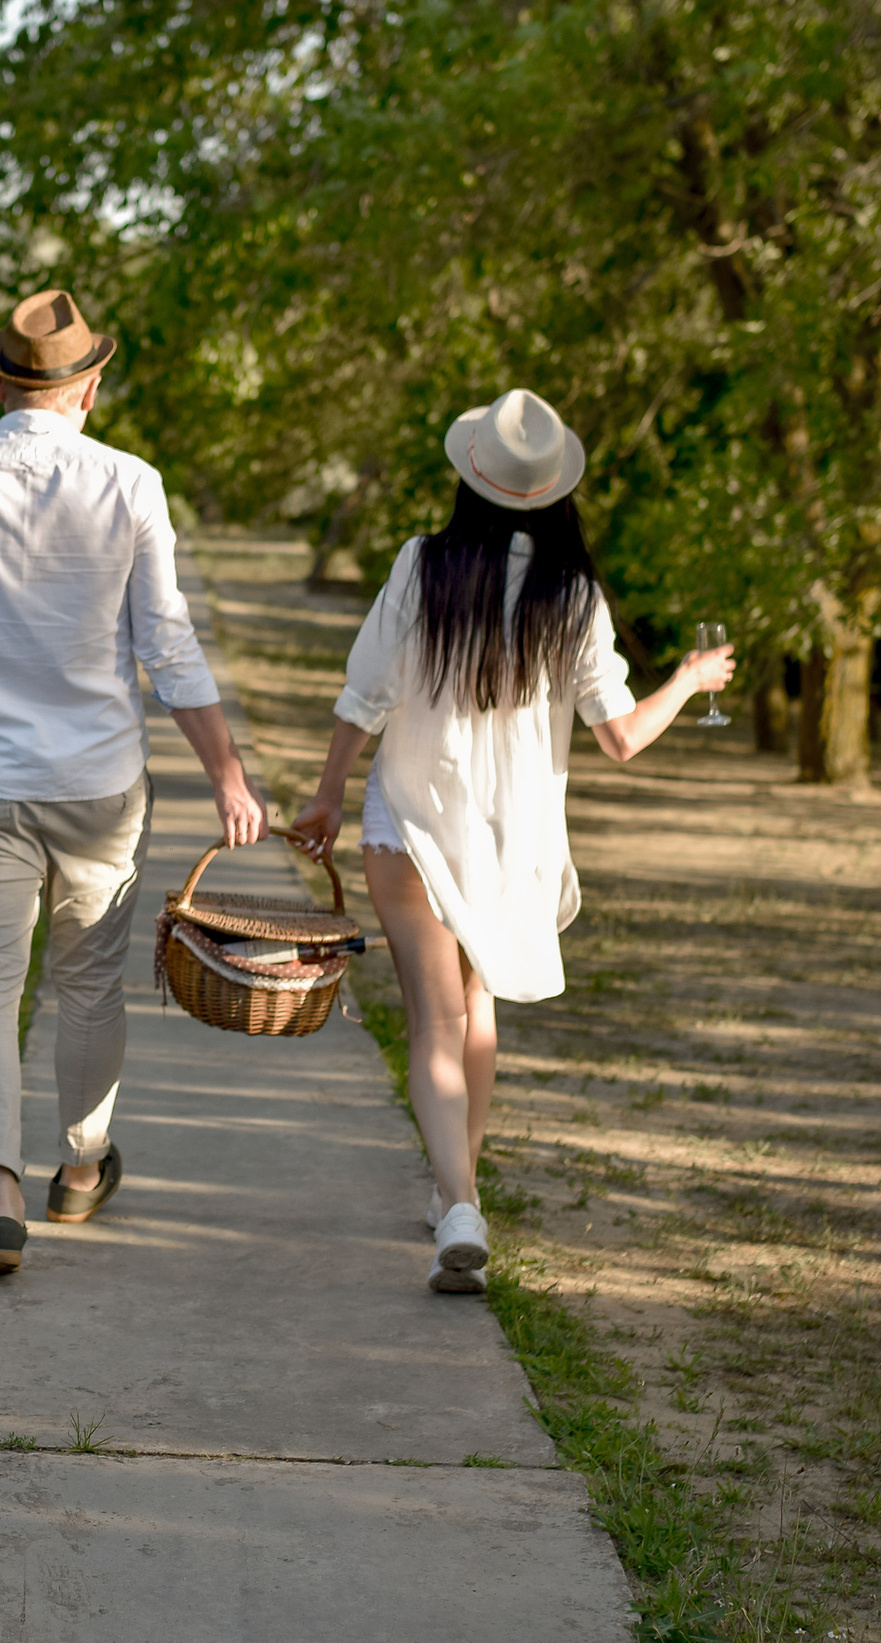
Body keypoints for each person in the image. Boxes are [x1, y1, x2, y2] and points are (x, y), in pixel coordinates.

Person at [0, 289, 266, 1277]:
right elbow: (167, 647)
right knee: (86, 987)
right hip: (97, 784)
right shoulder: (131, 484)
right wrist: (227, 774)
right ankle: (80, 1170)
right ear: (89, 388)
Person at [289, 389, 733, 1292]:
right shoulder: (573, 595)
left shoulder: (422, 565)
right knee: (472, 1013)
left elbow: (364, 695)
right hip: (508, 841)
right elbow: (621, 737)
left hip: (408, 823)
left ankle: (456, 1201)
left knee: (435, 1020)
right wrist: (688, 678)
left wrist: (329, 796)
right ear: (552, 493)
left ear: (472, 479)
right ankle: (462, 1198)